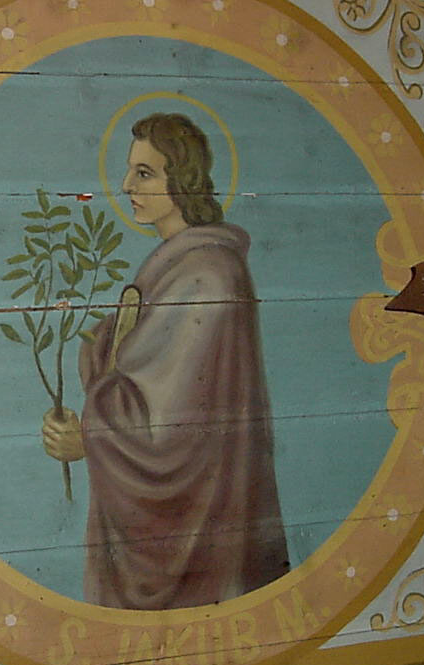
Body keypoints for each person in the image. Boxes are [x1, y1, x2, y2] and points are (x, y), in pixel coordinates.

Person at [42, 112, 289, 610]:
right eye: (131, 171)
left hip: (197, 523)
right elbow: (138, 365)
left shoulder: (206, 277)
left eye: (145, 173)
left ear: (184, 179)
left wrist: (90, 437)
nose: (126, 185)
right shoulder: (176, 266)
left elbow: (174, 428)